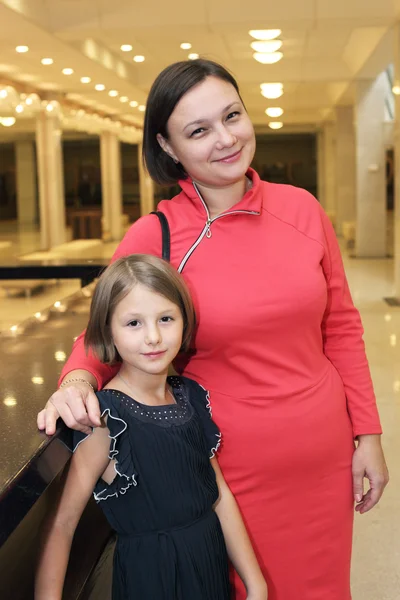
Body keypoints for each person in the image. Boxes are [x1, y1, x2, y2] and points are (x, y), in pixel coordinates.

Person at [37, 59, 389, 600]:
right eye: (199, 130)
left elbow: (340, 326)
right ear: (169, 146)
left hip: (320, 454)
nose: (225, 139)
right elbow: (101, 334)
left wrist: (366, 434)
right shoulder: (157, 234)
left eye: (232, 116)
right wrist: (78, 381)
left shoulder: (303, 210)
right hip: (220, 466)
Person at [35, 254, 267, 600]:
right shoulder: (105, 418)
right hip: (152, 577)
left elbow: (219, 496)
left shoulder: (189, 397)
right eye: (134, 324)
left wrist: (255, 583)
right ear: (107, 331)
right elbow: (62, 524)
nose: (154, 337)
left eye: (166, 318)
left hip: (209, 565)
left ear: (185, 322)